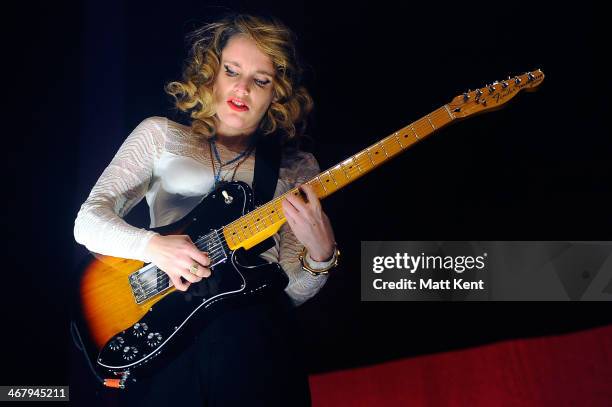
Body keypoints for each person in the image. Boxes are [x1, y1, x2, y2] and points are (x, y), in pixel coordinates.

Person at [73, 13, 339, 406]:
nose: (242, 88)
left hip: (254, 346)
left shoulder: (295, 168)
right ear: (211, 73)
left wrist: (321, 256)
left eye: (260, 80)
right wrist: (153, 247)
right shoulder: (161, 135)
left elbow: (289, 291)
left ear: (276, 94)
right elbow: (88, 222)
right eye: (232, 71)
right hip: (171, 339)